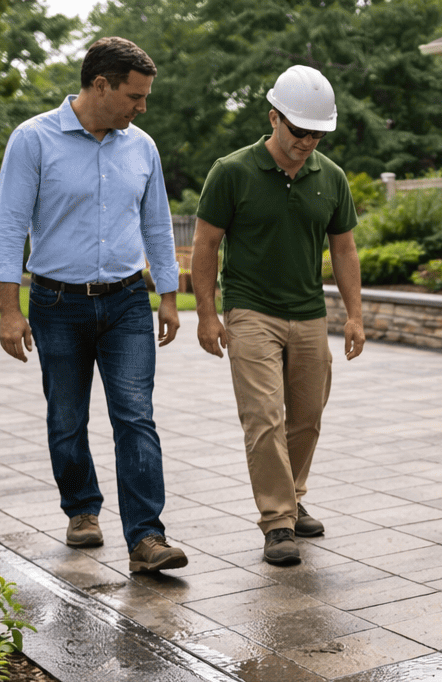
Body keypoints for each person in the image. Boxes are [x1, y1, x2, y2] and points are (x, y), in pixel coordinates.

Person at [0, 36, 188, 574]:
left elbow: (157, 224)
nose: (142, 107)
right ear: (100, 85)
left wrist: (169, 297)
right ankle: (81, 510)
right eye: (135, 95)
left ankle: (147, 537)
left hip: (126, 302)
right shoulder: (33, 140)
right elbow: (8, 225)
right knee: (67, 417)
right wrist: (10, 309)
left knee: (135, 416)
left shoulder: (142, 147)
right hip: (56, 303)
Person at [191, 65, 366, 567]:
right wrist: (207, 314)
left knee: (307, 417)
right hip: (250, 312)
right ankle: (277, 522)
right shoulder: (232, 172)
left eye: (318, 133)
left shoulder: (330, 177)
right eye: (299, 130)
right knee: (264, 418)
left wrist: (354, 315)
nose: (308, 141)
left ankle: (291, 495)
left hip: (309, 312)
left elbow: (345, 249)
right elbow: (205, 244)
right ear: (274, 118)